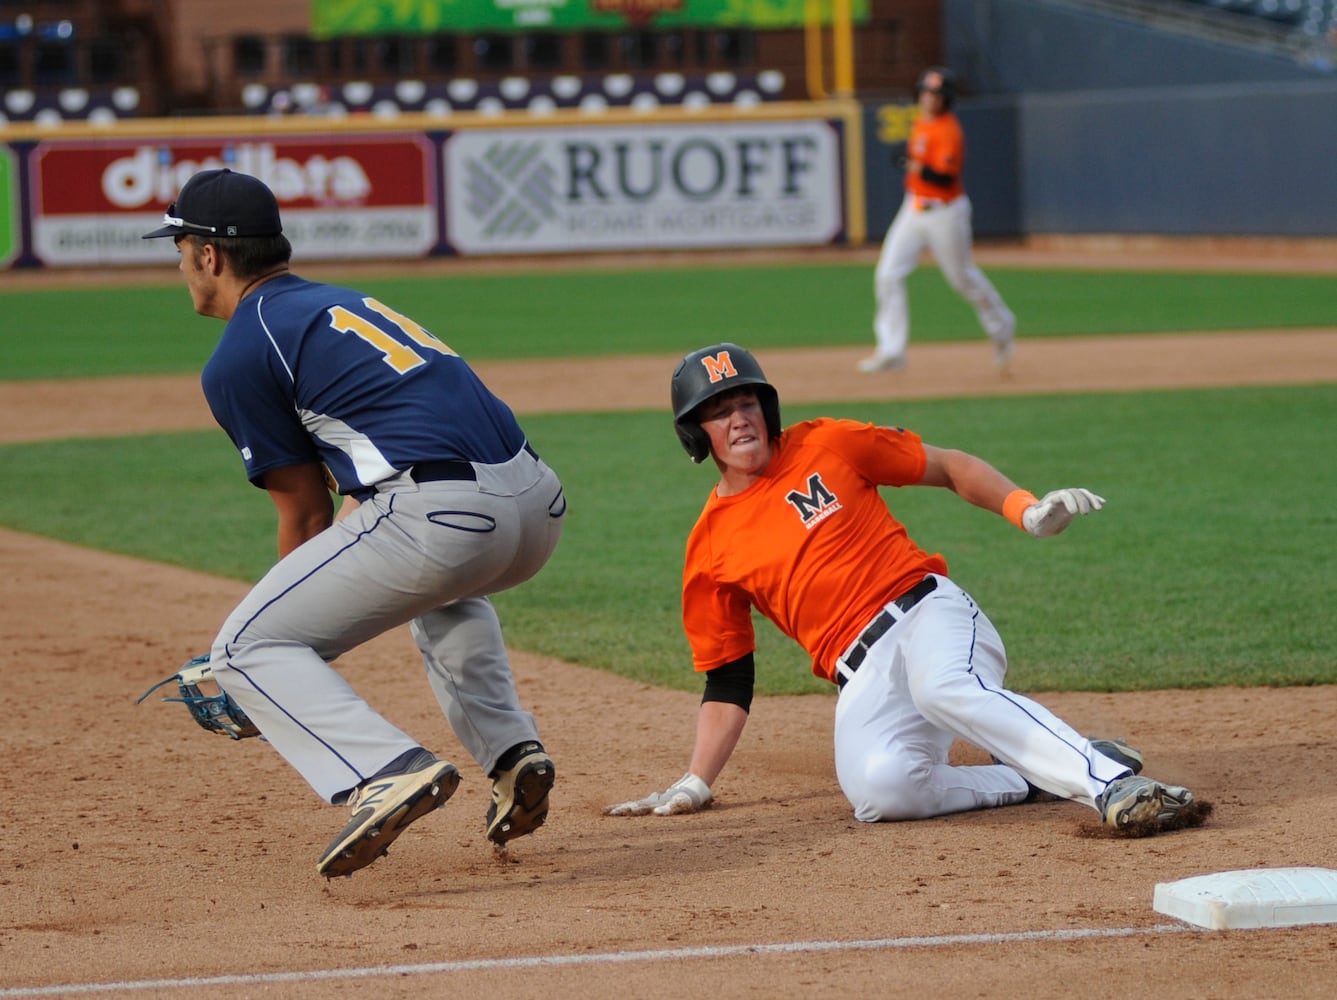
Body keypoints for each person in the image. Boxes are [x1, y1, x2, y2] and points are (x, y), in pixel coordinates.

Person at [143, 168, 566, 879]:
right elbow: (362, 496)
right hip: (536, 503)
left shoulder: (242, 352)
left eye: (180, 245)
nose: (178, 262)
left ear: (209, 255)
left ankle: (384, 772)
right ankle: (510, 753)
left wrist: (295, 654)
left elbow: (305, 514)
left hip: (444, 515)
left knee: (246, 646)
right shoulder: (343, 305)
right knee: (436, 586)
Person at [608, 343, 1200, 836]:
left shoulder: (827, 443)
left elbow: (946, 465)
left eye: (747, 402)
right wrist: (697, 780)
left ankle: (1114, 785)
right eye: (718, 411)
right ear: (696, 434)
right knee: (881, 792)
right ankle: (1034, 773)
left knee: (943, 687)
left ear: (768, 408)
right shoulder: (710, 546)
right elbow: (729, 679)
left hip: (927, 613)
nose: (739, 418)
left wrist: (1024, 510)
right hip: (861, 673)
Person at [860, 66, 1016, 373]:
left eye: (936, 94)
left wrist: (913, 166)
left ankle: (1002, 326)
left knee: (962, 278)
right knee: (888, 274)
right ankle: (892, 350)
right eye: (926, 92)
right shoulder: (921, 121)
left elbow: (944, 179)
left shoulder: (949, 130)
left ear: (946, 99)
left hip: (945, 212)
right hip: (913, 208)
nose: (929, 98)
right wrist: (913, 166)